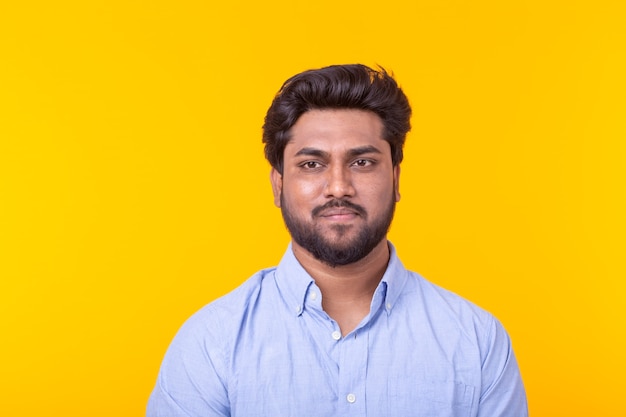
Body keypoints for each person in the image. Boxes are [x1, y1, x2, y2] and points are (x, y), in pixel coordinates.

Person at [147, 64, 528, 417]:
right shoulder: (210, 343)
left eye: (362, 162)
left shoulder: (477, 342)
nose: (339, 187)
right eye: (312, 164)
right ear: (278, 184)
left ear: (396, 179)